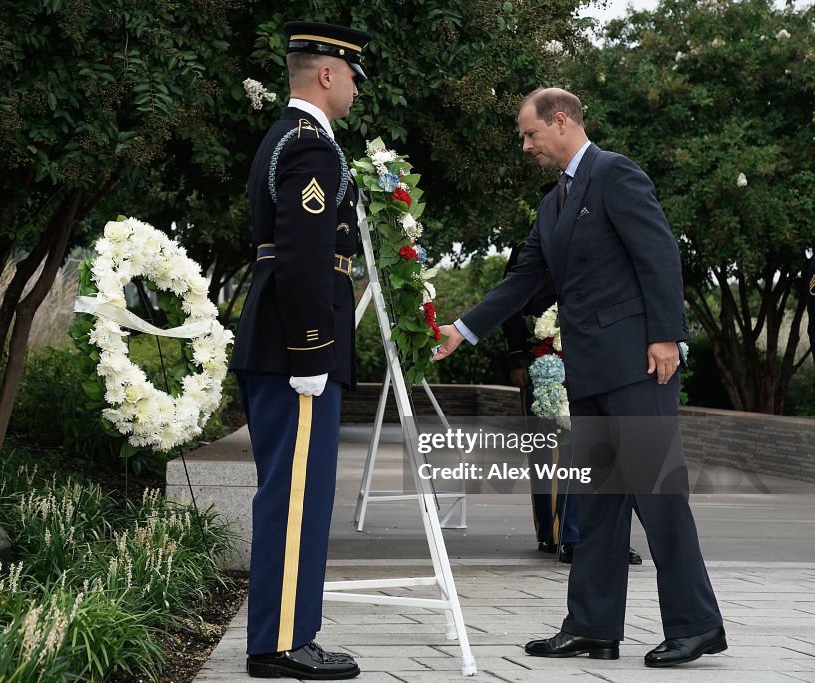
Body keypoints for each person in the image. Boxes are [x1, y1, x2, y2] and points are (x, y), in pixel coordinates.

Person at [433, 88, 725, 668]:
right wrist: (462, 330)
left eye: (530, 133)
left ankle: (696, 627)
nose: (527, 145)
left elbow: (659, 254)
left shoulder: (617, 176)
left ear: (560, 122)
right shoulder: (553, 204)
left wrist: (666, 335)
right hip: (589, 370)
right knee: (597, 505)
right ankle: (592, 627)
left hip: (638, 366)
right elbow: (523, 281)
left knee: (658, 498)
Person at [228, 20, 370, 680]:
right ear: (327, 73)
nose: (355, 92)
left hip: (277, 345)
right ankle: (282, 642)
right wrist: (313, 351)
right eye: (352, 79)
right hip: (295, 353)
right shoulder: (311, 146)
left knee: (293, 493)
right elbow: (306, 256)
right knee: (295, 498)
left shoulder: (290, 139)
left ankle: (284, 633)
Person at [501, 240, 643, 566]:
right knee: (554, 450)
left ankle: (609, 538)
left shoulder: (611, 242)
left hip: (601, 355)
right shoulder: (532, 247)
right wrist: (517, 359)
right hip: (547, 355)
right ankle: (561, 532)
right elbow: (512, 303)